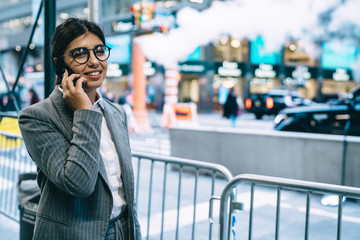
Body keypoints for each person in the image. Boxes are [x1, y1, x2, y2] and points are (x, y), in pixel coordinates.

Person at [18, 18, 141, 240]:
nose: (94, 61)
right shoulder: (37, 116)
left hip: (122, 230)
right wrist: (84, 111)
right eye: (80, 54)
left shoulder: (116, 112)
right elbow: (78, 183)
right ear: (60, 65)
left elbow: (124, 191)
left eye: (100, 51)